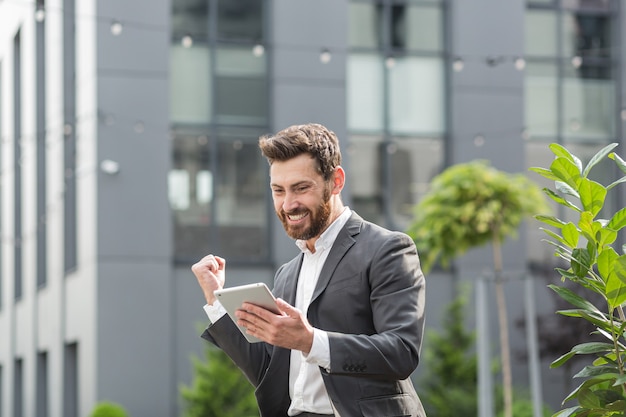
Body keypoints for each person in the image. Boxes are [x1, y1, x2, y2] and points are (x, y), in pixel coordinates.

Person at [191, 123, 426, 417]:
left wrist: (310, 341)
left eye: (301, 188)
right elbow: (268, 371)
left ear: (336, 181)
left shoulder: (388, 249)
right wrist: (216, 300)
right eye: (278, 191)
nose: (288, 204)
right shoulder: (287, 273)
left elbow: (401, 352)